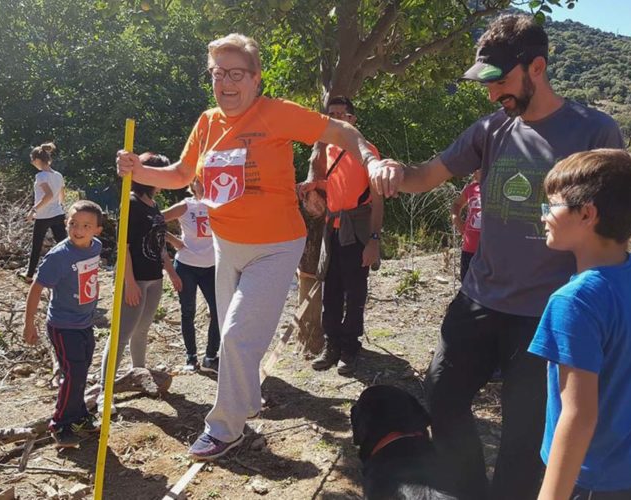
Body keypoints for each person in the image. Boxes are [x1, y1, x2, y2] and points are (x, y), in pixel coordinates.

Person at [368, 14, 624, 500]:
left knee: (524, 438)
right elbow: (426, 175)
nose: (492, 95)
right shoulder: (491, 129)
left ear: (538, 68)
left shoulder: (595, 131)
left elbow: (610, 230)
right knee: (441, 398)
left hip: (546, 313)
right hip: (479, 298)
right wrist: (394, 171)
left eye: (501, 82)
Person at [116, 33, 402, 461]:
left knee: (234, 335)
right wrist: (138, 169)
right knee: (239, 337)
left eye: (236, 74)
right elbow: (178, 174)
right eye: (217, 74)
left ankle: (224, 429)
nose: (225, 83)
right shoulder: (208, 121)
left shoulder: (277, 114)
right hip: (226, 245)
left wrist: (371, 158)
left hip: (276, 245)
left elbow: (341, 131)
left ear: (255, 79)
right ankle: (247, 403)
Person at [528, 149, 631, 500]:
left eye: (551, 206)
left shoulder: (573, 302)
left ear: (587, 214)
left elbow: (578, 416)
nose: (544, 217)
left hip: (593, 480)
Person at [299, 95, 384, 376]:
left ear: (352, 120)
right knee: (331, 290)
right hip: (332, 230)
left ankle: (350, 346)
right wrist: (316, 182)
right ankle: (331, 344)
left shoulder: (367, 150)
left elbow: (377, 199)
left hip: (356, 229)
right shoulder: (329, 151)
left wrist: (373, 241)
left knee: (354, 292)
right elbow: (338, 184)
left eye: (340, 114)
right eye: (330, 114)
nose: (334, 119)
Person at [97, 152, 181, 414]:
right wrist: (129, 282)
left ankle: (139, 376)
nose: (164, 179)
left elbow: (157, 242)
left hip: (154, 278)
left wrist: (171, 271)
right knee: (121, 334)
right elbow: (125, 247)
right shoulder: (131, 203)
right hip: (134, 279)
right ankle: (104, 392)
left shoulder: (153, 204)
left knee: (142, 330)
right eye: (162, 173)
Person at [22, 200, 104, 448]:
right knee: (74, 373)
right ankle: (59, 423)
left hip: (85, 322)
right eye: (73, 224)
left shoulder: (95, 247)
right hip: (63, 324)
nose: (78, 229)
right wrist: (29, 325)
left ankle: (79, 417)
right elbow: (36, 288)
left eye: (86, 225)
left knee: (81, 370)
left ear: (97, 230)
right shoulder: (60, 256)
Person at [163, 177, 220, 374]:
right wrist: (173, 241)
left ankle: (211, 356)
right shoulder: (186, 206)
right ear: (192, 184)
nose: (203, 183)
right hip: (186, 266)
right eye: (199, 179)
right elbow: (153, 220)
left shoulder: (220, 205)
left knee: (219, 311)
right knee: (188, 311)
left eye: (208, 178)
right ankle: (191, 357)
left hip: (212, 267)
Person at [19, 142, 67, 284]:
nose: (33, 163)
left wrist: (34, 210)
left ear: (38, 160)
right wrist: (60, 207)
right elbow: (61, 195)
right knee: (63, 244)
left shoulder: (41, 176)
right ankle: (69, 272)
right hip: (58, 213)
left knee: (36, 247)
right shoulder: (58, 175)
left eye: (33, 160)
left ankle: (29, 276)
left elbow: (48, 195)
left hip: (43, 216)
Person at [451, 169, 482, 281]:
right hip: (470, 247)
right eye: (478, 169)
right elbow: (456, 204)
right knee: (467, 283)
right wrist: (457, 221)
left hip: (491, 250)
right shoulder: (471, 189)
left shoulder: (498, 190)